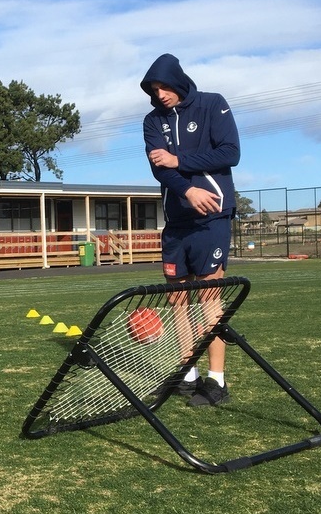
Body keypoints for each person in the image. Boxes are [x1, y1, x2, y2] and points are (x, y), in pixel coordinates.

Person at [140, 53, 240, 407]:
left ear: (179, 81)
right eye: (154, 89)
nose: (161, 94)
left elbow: (230, 153)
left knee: (208, 299)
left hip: (212, 218)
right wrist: (186, 188)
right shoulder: (153, 121)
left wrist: (180, 161)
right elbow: (158, 168)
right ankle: (188, 375)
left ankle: (216, 380)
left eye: (165, 86)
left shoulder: (213, 105)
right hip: (177, 222)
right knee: (177, 300)